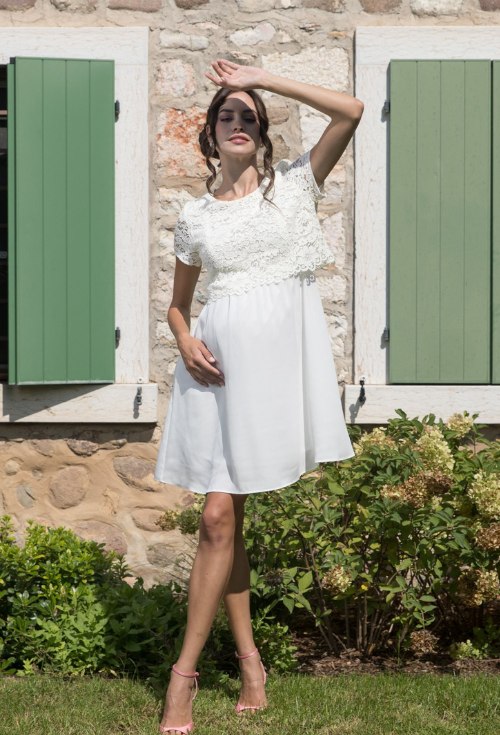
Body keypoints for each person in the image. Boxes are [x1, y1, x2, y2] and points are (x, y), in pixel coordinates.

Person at [154, 58, 363, 735]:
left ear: (262, 131)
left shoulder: (294, 187)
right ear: (210, 134)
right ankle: (196, 674)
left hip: (272, 378)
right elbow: (178, 306)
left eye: (249, 115)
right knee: (219, 518)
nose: (238, 122)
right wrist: (184, 340)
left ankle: (244, 663)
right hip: (214, 377)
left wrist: (262, 77)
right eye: (227, 115)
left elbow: (351, 110)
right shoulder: (194, 217)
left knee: (226, 517)